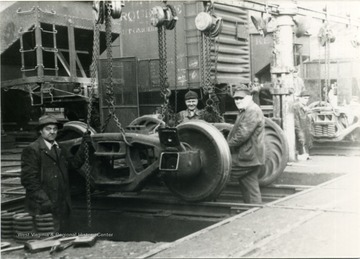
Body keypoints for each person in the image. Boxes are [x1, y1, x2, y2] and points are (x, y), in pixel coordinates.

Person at [21, 114, 89, 233]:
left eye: (55, 129)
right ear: (40, 131)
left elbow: (73, 165)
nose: (52, 132)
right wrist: (45, 201)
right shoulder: (32, 149)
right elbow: (29, 180)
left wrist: (84, 145)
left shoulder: (58, 148)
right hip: (44, 208)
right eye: (48, 129)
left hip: (61, 206)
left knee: (62, 239)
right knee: (47, 240)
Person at [226, 85, 265, 204]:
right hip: (250, 155)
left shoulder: (252, 110)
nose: (238, 101)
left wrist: (225, 146)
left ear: (250, 97)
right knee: (250, 185)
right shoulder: (246, 110)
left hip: (247, 157)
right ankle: (253, 210)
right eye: (236, 99)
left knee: (220, 170)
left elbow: (242, 134)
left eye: (241, 98)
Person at [293, 90, 312, 160]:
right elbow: (296, 122)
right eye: (305, 98)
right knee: (300, 143)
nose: (306, 100)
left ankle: (304, 154)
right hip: (299, 131)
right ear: (300, 98)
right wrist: (300, 133)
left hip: (304, 130)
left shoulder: (305, 108)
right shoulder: (296, 107)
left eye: (307, 99)